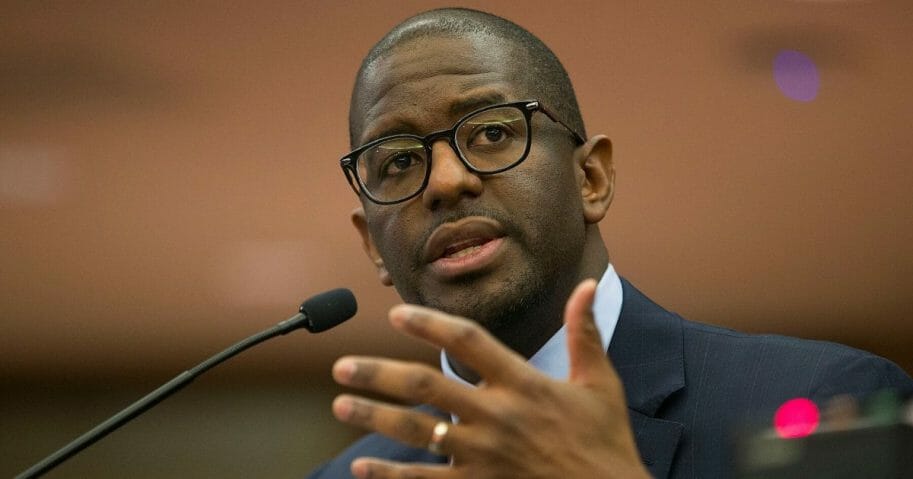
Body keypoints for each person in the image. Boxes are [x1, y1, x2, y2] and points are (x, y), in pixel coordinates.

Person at [308, 8, 913, 479]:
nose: (445, 181)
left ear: (590, 179)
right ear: (372, 248)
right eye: (398, 163)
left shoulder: (820, 400)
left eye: (493, 132)